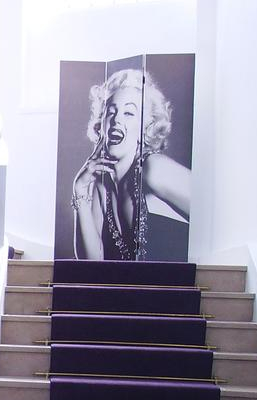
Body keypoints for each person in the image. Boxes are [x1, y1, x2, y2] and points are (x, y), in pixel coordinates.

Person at [71, 69, 191, 260]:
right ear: (101, 123)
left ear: (146, 127)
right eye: (110, 112)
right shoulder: (102, 186)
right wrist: (80, 191)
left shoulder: (154, 170)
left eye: (129, 113)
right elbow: (91, 265)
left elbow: (209, 214)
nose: (116, 119)